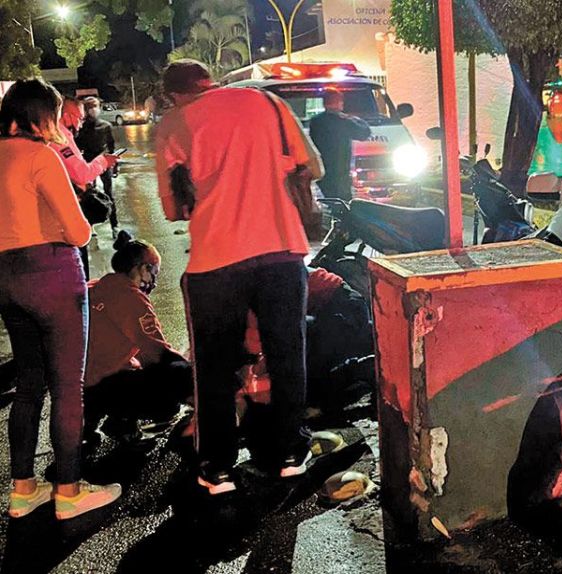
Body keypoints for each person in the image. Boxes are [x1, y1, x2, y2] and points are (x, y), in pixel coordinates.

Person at [155, 59, 324, 495]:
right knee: (287, 355)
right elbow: (314, 166)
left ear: (174, 93)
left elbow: (174, 208)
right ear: (209, 80)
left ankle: (217, 468)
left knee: (213, 366)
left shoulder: (174, 123)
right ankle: (290, 454)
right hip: (281, 250)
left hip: (216, 261)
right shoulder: (267, 103)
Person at [0, 79, 121, 520]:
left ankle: (23, 489)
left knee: (29, 386)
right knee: (68, 386)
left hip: (5, 278)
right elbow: (79, 232)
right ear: (40, 115)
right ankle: (68, 490)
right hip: (51, 274)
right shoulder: (40, 156)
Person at [83, 231, 193, 443]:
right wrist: (191, 378)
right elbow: (157, 352)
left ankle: (101, 425)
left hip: (76, 384)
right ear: (143, 269)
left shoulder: (94, 286)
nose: (154, 282)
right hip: (103, 386)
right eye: (154, 273)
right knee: (175, 380)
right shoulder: (131, 297)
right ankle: (122, 419)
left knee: (130, 363)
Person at [52, 96, 119, 279]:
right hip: (68, 211)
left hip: (67, 208)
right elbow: (80, 173)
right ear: (66, 115)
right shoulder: (59, 137)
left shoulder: (63, 134)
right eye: (79, 118)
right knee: (77, 269)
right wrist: (103, 161)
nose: (80, 124)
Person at [309, 90, 371, 201]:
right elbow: (364, 133)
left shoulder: (316, 122)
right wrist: (352, 118)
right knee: (343, 203)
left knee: (326, 202)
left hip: (322, 173)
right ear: (338, 103)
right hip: (341, 174)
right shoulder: (343, 122)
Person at [76, 97, 118, 237]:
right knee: (88, 195)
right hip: (88, 164)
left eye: (96, 106)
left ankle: (115, 225)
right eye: (90, 107)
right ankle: (90, 225)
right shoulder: (81, 128)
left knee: (109, 194)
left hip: (104, 163)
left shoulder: (106, 126)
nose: (94, 110)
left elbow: (111, 146)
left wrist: (114, 165)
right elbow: (77, 148)